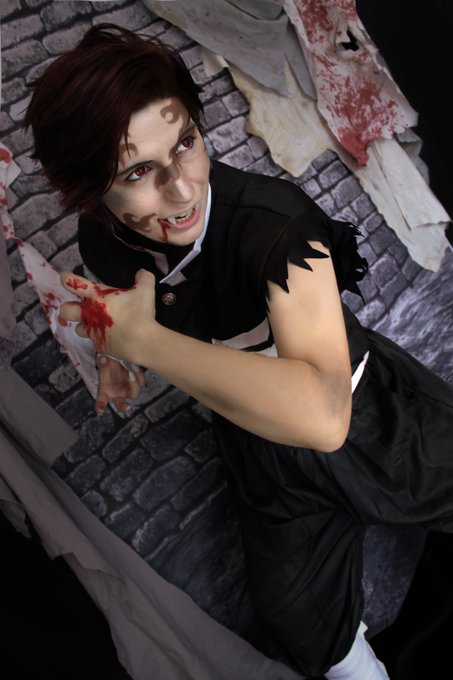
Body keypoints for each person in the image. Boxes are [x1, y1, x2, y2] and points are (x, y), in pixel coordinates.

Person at [24, 24, 453, 680]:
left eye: (185, 144)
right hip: (259, 446)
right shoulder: (102, 238)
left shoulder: (275, 223)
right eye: (138, 172)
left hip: (373, 415)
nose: (182, 188)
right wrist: (118, 360)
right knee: (300, 619)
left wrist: (146, 343)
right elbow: (125, 312)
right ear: (90, 190)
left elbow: (325, 418)